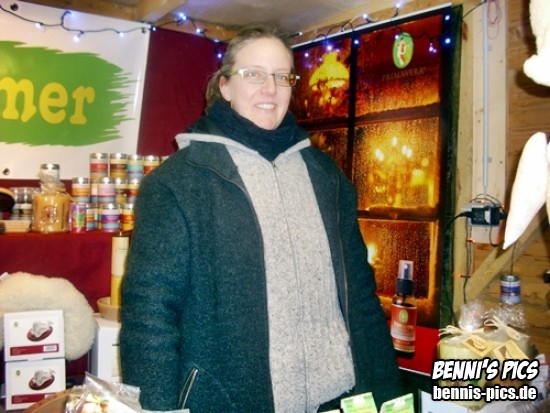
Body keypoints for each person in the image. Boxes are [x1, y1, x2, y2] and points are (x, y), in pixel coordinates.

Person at [120, 25, 403, 413]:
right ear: (224, 86)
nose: (270, 88)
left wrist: (388, 394)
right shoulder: (177, 183)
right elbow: (149, 317)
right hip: (230, 402)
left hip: (340, 396)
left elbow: (361, 296)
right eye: (253, 74)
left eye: (282, 76)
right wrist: (156, 408)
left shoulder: (326, 177)